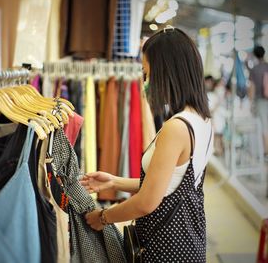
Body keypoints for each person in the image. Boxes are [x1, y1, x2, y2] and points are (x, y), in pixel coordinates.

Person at [80, 27, 214, 262]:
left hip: (165, 249)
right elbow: (168, 184)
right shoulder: (200, 120)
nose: (146, 82)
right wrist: (114, 181)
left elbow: (147, 202)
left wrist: (103, 217)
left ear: (167, 72)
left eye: (148, 73)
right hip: (186, 243)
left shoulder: (177, 127)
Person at [248, 46, 268, 161]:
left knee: (264, 126)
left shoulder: (255, 69)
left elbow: (252, 87)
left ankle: (266, 152)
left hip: (261, 101)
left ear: (255, 55)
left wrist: (251, 103)